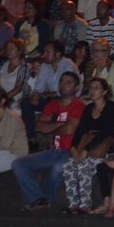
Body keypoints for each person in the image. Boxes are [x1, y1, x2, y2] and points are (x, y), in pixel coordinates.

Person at [13, 71, 85, 211]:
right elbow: (38, 126)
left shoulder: (79, 106)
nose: (63, 84)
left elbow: (69, 130)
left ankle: (45, 199)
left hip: (70, 151)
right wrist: (58, 126)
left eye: (68, 82)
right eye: (61, 81)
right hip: (53, 151)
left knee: (59, 167)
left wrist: (51, 127)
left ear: (77, 87)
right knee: (18, 164)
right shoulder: (53, 105)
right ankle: (39, 199)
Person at [60, 77, 114, 214]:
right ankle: (73, 204)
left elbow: (105, 132)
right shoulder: (88, 109)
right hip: (87, 147)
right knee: (68, 165)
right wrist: (73, 147)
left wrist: (86, 150)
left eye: (97, 88)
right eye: (91, 87)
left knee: (83, 165)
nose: (93, 90)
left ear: (104, 92)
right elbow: (80, 130)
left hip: (104, 150)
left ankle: (86, 204)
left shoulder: (110, 107)